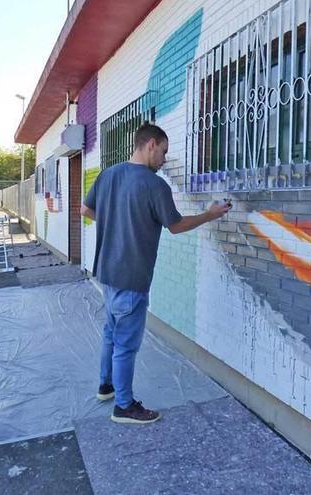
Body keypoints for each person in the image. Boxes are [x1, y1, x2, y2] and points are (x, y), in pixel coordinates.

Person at [81, 123, 231, 424]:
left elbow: (86, 210)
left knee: (111, 333)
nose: (164, 159)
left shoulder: (108, 174)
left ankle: (106, 386)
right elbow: (175, 226)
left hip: (107, 272)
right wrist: (210, 214)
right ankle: (124, 406)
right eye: (163, 151)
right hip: (132, 277)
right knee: (126, 343)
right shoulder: (154, 185)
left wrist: (115, 219)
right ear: (150, 144)